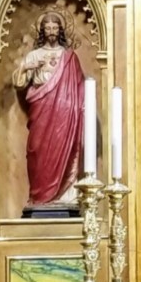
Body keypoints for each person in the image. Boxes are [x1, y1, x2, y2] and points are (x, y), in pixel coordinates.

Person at [13, 12, 87, 212]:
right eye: (48, 28)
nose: (52, 32)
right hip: (41, 109)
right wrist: (25, 67)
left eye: (55, 28)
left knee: (65, 148)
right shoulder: (33, 55)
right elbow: (19, 84)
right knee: (37, 149)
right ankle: (39, 195)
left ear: (60, 30)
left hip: (64, 113)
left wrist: (79, 106)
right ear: (42, 31)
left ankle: (64, 193)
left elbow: (80, 87)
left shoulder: (69, 57)